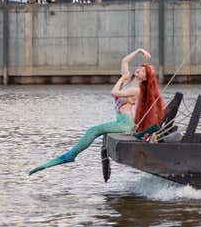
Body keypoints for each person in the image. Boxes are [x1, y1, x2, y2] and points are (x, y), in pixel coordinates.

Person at [29, 48, 164, 175]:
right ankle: (70, 155)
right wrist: (139, 50)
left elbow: (114, 92)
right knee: (93, 131)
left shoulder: (136, 89)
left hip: (125, 123)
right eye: (139, 69)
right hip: (120, 121)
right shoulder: (128, 81)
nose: (139, 71)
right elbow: (125, 61)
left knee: (93, 130)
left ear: (145, 78)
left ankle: (70, 156)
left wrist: (122, 79)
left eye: (142, 71)